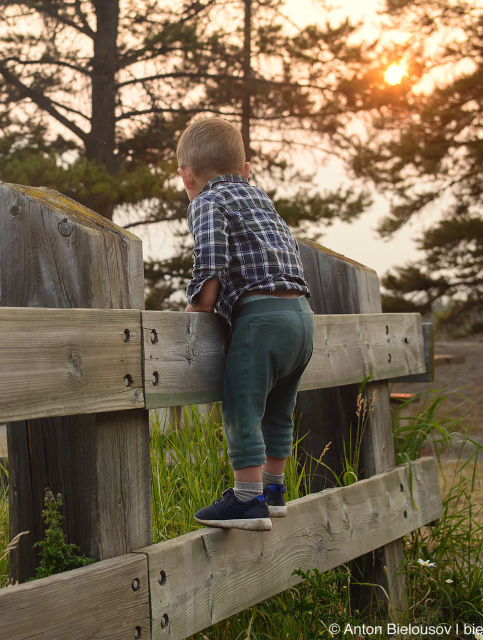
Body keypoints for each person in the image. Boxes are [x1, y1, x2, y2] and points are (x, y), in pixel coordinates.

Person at [177, 117, 314, 531]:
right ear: (246, 169)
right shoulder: (261, 198)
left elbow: (212, 259)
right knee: (279, 409)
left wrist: (199, 306)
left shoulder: (206, 201)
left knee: (241, 407)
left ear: (187, 175)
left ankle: (247, 500)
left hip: (261, 321)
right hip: (302, 318)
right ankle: (274, 492)